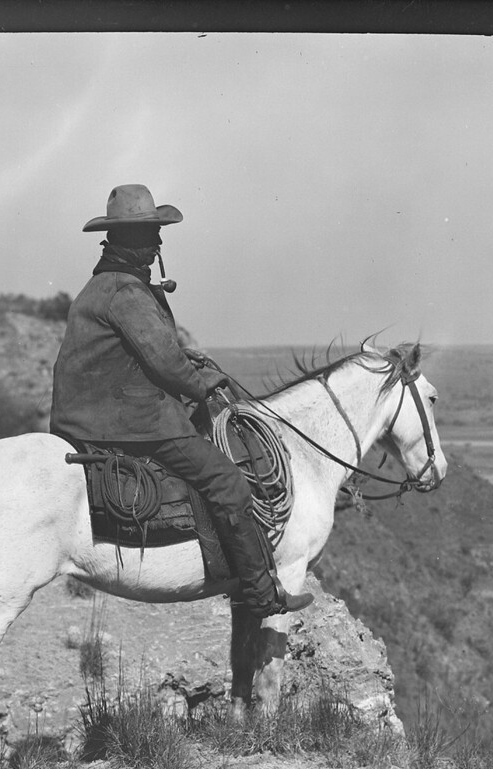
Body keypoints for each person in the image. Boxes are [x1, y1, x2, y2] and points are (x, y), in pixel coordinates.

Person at [50, 184, 313, 618]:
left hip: (84, 416)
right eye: (148, 234)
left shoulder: (102, 287)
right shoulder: (127, 293)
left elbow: (134, 352)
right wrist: (202, 383)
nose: (156, 244)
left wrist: (184, 361)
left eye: (155, 233)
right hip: (127, 421)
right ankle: (260, 592)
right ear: (126, 241)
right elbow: (164, 363)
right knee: (226, 481)